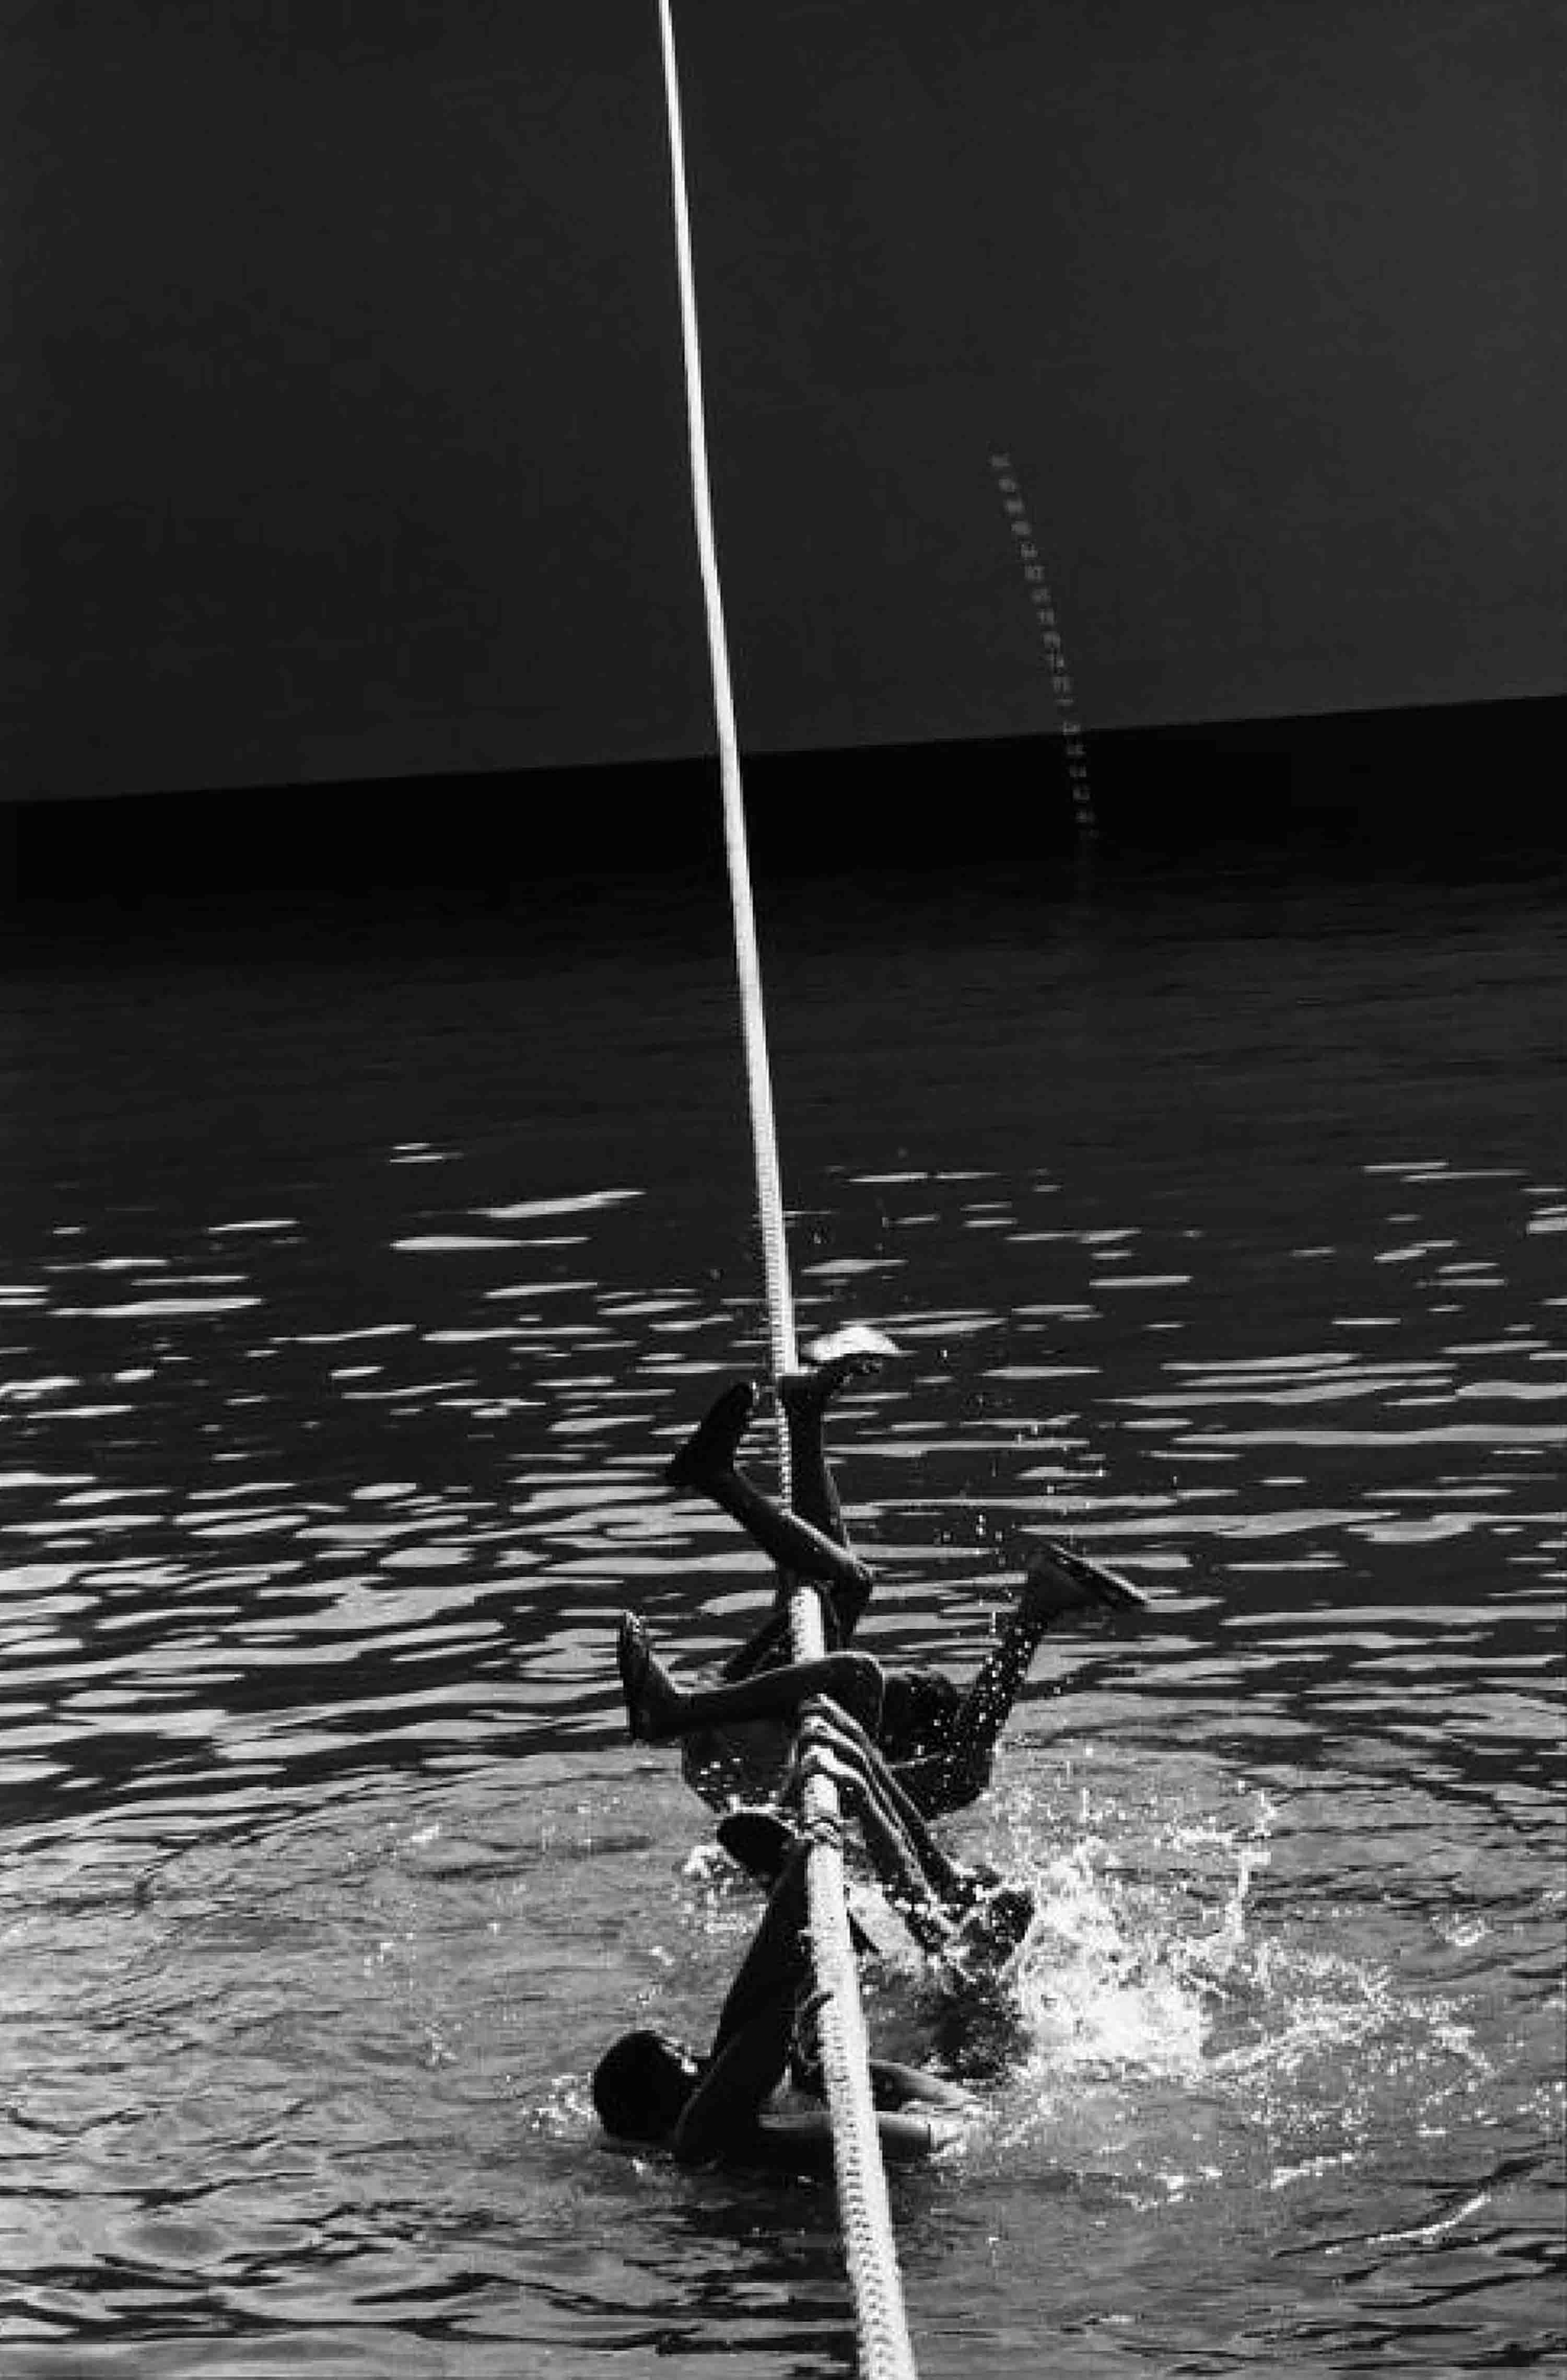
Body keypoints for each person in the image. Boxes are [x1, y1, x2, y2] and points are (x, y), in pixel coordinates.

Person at [632, 1335, 1148, 1821]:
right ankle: (796, 1422)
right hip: (725, 1718)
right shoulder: (822, 1717)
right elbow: (800, 1596)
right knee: (835, 1584)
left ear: (901, 1737)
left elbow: (965, 1768)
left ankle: (726, 1476)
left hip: (745, 1756)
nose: (905, 1677)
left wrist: (1029, 1624)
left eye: (913, 1692)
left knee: (853, 1624)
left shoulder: (871, 1774)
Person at [590, 1827, 977, 2173]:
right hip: (952, 2132)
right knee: (733, 2099)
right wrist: (806, 1950)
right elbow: (762, 2026)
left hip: (947, 2121)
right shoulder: (699, 2141)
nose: (700, 2057)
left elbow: (747, 2029)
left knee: (797, 2071)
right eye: (685, 2060)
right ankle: (793, 1897)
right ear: (661, 2105)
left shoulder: (719, 2143)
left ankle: (791, 1896)